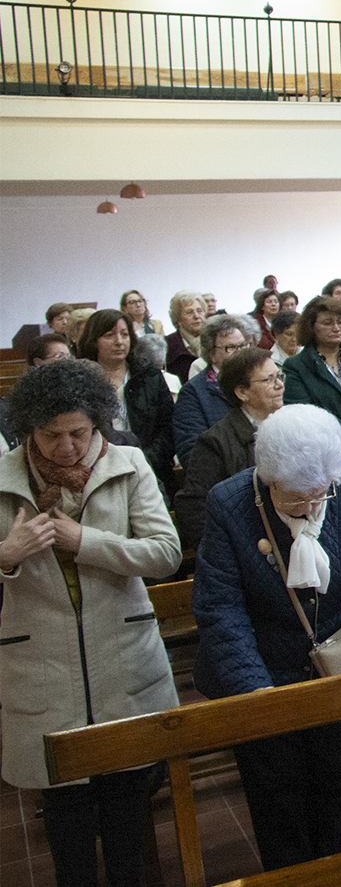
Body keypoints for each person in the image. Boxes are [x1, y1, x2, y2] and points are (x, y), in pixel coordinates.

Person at [192, 404, 341, 871]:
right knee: (277, 800)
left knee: (336, 786)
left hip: (334, 669)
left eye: (320, 495)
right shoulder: (230, 503)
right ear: (268, 479)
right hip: (262, 669)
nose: (313, 508)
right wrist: (259, 695)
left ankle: (337, 871)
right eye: (297, 499)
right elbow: (220, 607)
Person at [0, 360, 179, 887]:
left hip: (122, 655)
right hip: (40, 665)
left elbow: (166, 553)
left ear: (98, 422)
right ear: (28, 428)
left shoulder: (127, 462)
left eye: (78, 432)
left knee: (128, 807)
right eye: (50, 435)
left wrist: (88, 543)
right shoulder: (3, 475)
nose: (66, 447)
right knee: (66, 815)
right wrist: (7, 553)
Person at [176, 347, 284, 559]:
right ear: (242, 392)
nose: (279, 385)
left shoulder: (293, 426)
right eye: (269, 379)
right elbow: (194, 510)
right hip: (246, 553)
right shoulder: (215, 443)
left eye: (279, 376)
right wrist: (224, 557)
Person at [75, 309, 178, 492]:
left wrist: (145, 459)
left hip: (153, 469)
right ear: (93, 341)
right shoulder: (82, 381)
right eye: (109, 335)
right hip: (99, 472)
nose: (119, 342)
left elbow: (168, 426)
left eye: (124, 334)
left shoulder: (149, 375)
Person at [283, 296, 341, 468]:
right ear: (311, 327)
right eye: (327, 323)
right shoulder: (296, 366)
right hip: (325, 458)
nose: (336, 328)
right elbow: (303, 413)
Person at [173, 312, 257, 463]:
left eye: (243, 345)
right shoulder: (193, 393)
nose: (241, 353)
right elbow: (192, 454)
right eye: (231, 347)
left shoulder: (259, 380)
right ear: (211, 354)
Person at [165, 289, 208, 382]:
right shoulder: (168, 345)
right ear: (178, 319)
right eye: (189, 312)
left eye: (200, 311)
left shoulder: (214, 341)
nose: (196, 316)